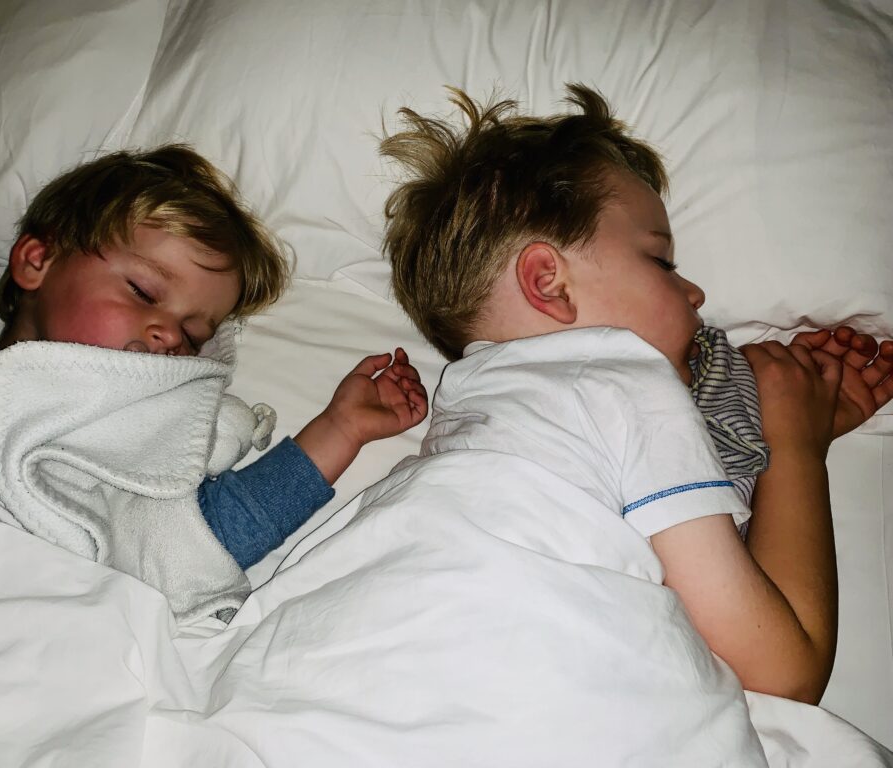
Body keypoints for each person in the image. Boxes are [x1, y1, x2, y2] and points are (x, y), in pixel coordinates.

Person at [379, 84, 893, 705]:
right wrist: (795, 445)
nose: (696, 293)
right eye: (662, 262)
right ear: (550, 283)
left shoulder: (475, 412)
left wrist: (768, 419)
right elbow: (781, 674)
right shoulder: (622, 383)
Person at [0, 144, 428, 570]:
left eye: (192, 333)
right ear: (37, 260)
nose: (168, 337)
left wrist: (340, 428)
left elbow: (200, 540)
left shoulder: (135, 433)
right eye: (142, 292)